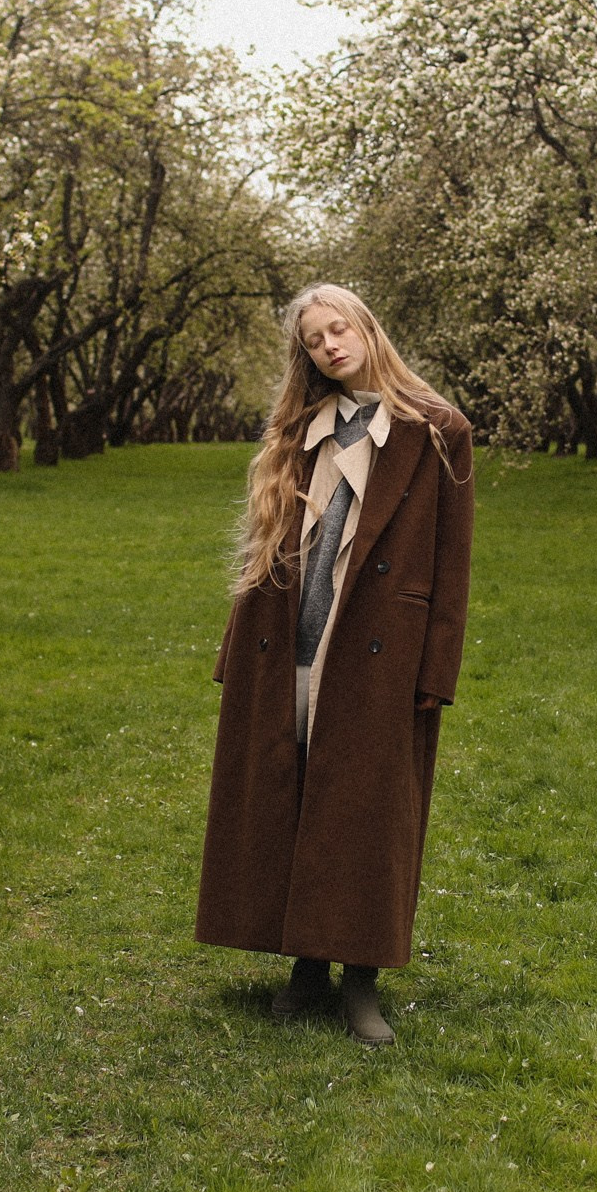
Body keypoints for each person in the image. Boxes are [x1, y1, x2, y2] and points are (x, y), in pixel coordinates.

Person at [196, 283, 475, 1046]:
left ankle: (361, 979)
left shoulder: (439, 430)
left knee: (366, 814)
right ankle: (306, 965)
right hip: (290, 640)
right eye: (314, 340)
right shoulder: (299, 429)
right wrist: (235, 651)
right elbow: (263, 550)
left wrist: (435, 673)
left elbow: (452, 563)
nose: (330, 345)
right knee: (294, 798)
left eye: (338, 329)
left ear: (367, 329)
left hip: (380, 658)